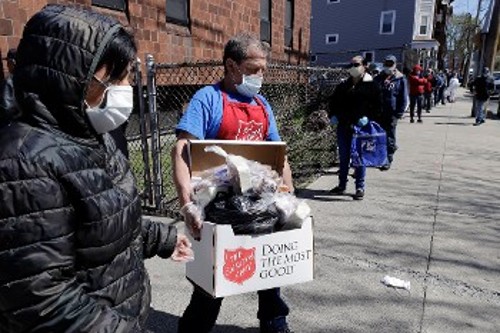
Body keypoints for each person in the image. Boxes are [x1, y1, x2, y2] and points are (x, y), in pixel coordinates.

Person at [0, 5, 193, 332]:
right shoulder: (24, 164)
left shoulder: (88, 131)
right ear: (69, 79)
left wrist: (163, 237)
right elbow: (40, 299)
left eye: (127, 75)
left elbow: (103, 220)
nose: (125, 87)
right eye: (112, 78)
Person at [171, 33, 295, 333]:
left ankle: (274, 323)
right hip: (219, 209)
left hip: (261, 207)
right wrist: (187, 202)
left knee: (270, 274)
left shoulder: (262, 104)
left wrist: (289, 193)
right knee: (212, 283)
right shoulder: (208, 99)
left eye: (263, 69)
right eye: (254, 69)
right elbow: (182, 149)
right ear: (231, 65)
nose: (260, 76)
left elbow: (280, 155)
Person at [327, 55, 382, 200]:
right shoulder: (343, 85)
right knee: (344, 157)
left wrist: (368, 118)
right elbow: (333, 103)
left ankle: (360, 186)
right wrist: (333, 115)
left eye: (356, 65)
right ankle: (341, 185)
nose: (353, 68)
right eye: (350, 65)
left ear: (365, 66)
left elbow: (379, 106)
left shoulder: (372, 86)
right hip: (344, 125)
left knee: (360, 157)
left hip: (361, 128)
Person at [374, 55, 408, 171]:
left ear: (394, 65)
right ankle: (380, 157)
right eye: (386, 64)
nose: (388, 66)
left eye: (390, 64)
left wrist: (399, 112)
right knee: (379, 137)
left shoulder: (400, 79)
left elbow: (403, 98)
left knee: (389, 138)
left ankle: (388, 159)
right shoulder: (378, 79)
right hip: (379, 113)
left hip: (391, 114)